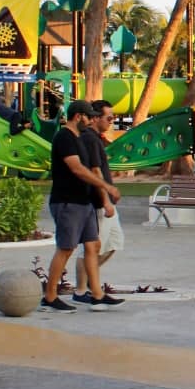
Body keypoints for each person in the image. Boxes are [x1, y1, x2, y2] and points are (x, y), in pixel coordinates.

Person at [41, 100, 122, 313]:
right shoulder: (64, 137)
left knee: (93, 245)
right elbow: (77, 169)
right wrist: (106, 187)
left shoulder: (78, 138)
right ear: (78, 116)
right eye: (89, 117)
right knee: (66, 248)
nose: (92, 120)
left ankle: (96, 295)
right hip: (68, 201)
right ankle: (50, 297)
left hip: (84, 202)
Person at [72, 100, 123, 303]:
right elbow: (95, 172)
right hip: (99, 203)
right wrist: (105, 200)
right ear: (96, 118)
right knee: (92, 248)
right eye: (109, 118)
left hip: (105, 202)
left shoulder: (95, 139)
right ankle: (82, 290)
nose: (111, 121)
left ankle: (89, 283)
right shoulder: (90, 140)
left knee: (113, 243)